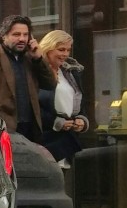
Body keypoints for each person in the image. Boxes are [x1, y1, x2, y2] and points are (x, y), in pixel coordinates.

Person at [0, 14, 57, 142]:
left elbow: (50, 84)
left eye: (25, 35)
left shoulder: (30, 58)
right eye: (16, 34)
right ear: (4, 36)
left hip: (30, 131)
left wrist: (39, 59)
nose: (22, 39)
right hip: (3, 131)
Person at [36, 30, 89, 168]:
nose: (65, 54)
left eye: (68, 50)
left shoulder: (70, 73)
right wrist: (57, 122)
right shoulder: (35, 72)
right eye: (61, 49)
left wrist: (81, 120)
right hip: (44, 139)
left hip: (66, 140)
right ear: (48, 48)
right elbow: (32, 106)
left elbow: (79, 102)